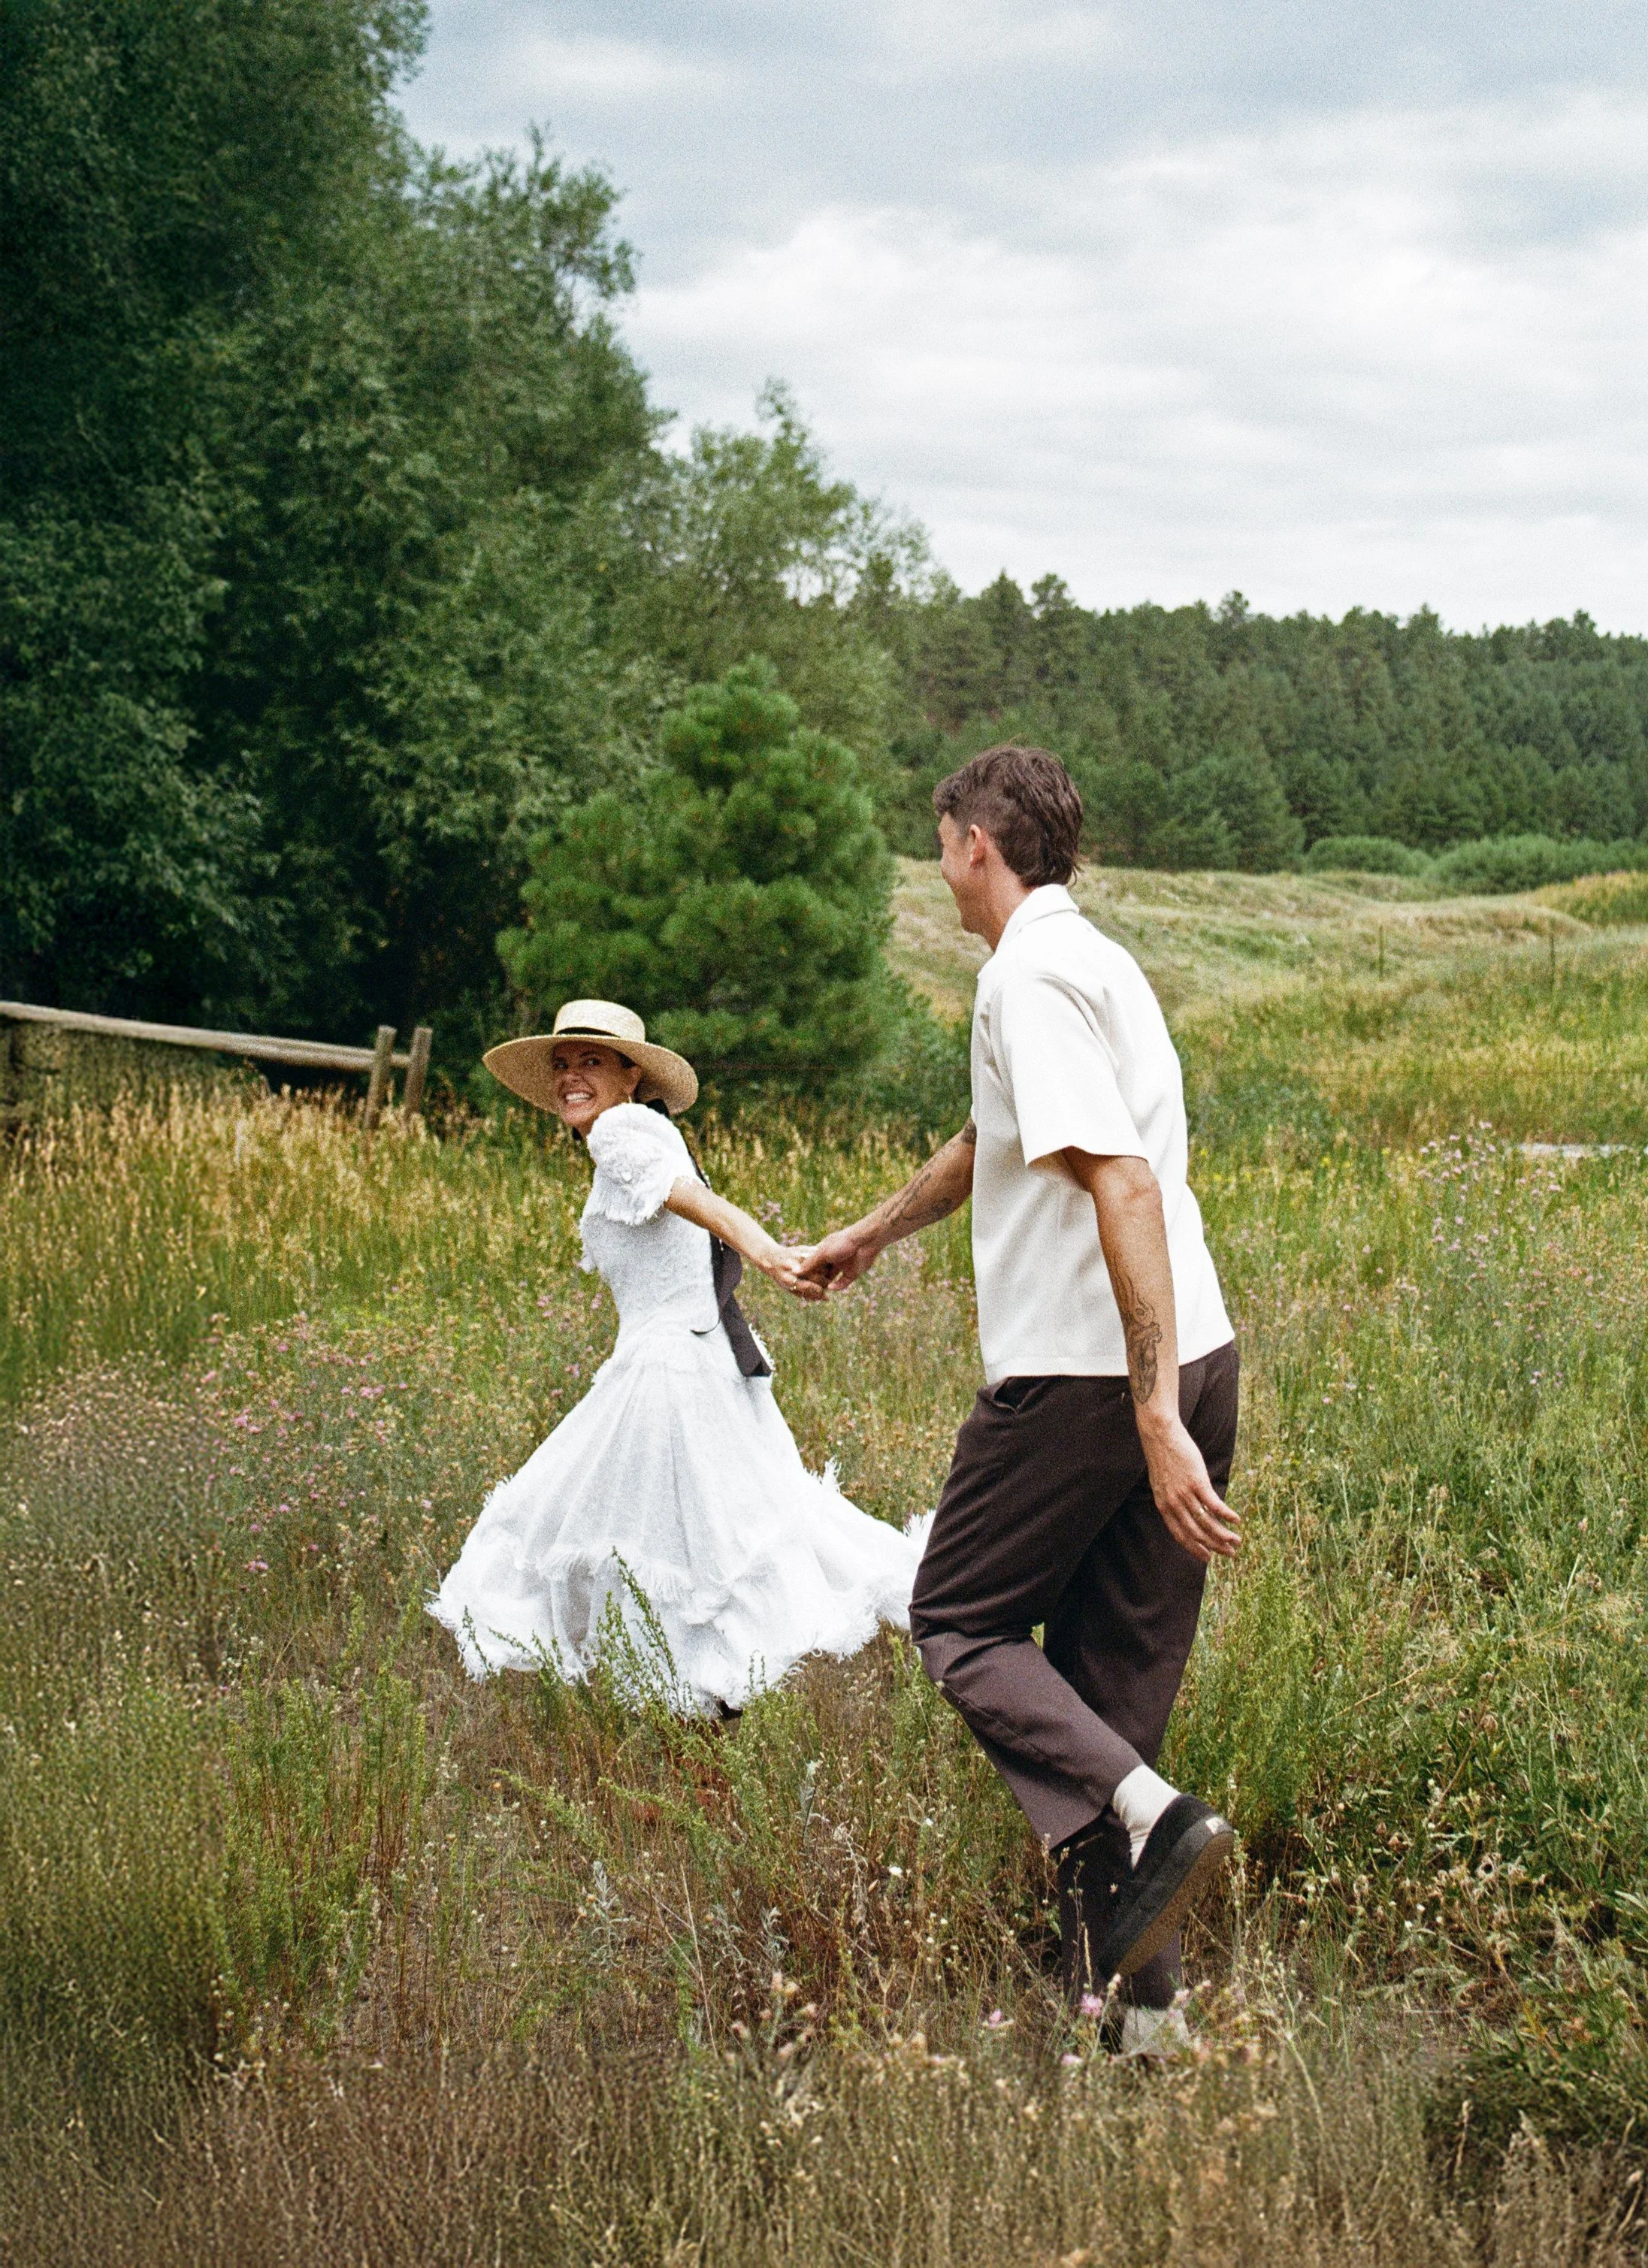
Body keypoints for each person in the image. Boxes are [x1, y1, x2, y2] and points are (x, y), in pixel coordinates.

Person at [801, 746, 1240, 2055]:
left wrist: (1148, 1410)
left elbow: (1120, 1181)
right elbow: (996, 1140)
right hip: (1192, 1352)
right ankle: (1141, 2026)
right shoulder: (1091, 959)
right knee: (1108, 1709)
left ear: (972, 843)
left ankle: (1156, 1819)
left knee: (955, 1613)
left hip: (1090, 1375)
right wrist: (874, 1231)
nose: (937, 865)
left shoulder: (1026, 975)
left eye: (938, 839)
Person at [429, 999, 925, 1714]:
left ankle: (693, 1720)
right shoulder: (645, 1133)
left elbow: (700, 1206)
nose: (571, 1076)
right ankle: (703, 1720)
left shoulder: (622, 1133)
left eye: (591, 1062)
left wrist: (769, 1256)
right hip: (689, 1365)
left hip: (668, 1374)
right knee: (699, 1547)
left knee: (654, 1548)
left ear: (632, 1075)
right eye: (562, 1064)